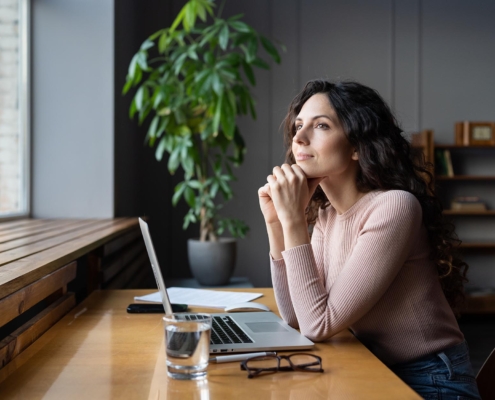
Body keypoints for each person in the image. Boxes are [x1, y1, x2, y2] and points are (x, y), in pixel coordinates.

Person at [258, 79, 481, 399]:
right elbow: (295, 317)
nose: (300, 137)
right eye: (298, 126)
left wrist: (294, 219)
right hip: (374, 368)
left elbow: (317, 325)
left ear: (356, 147)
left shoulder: (394, 207)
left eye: (320, 125)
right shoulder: (327, 218)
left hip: (431, 380)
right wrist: (276, 222)